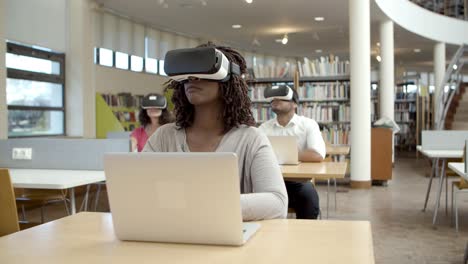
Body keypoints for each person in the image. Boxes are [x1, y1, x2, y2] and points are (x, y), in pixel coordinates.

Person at [143, 43, 288, 221]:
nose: (192, 79)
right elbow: (139, 190)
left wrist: (205, 205)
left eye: (202, 71)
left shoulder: (250, 139)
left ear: (229, 79)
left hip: (228, 242)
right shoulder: (164, 137)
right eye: (188, 74)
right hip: (171, 235)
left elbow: (277, 202)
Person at [258, 85, 326, 219]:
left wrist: (279, 155)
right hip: (269, 181)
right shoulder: (263, 128)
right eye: (273, 99)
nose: (275, 100)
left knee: (308, 196)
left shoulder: (308, 125)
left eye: (281, 98)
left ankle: (304, 236)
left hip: (298, 182)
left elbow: (317, 154)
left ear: (294, 103)